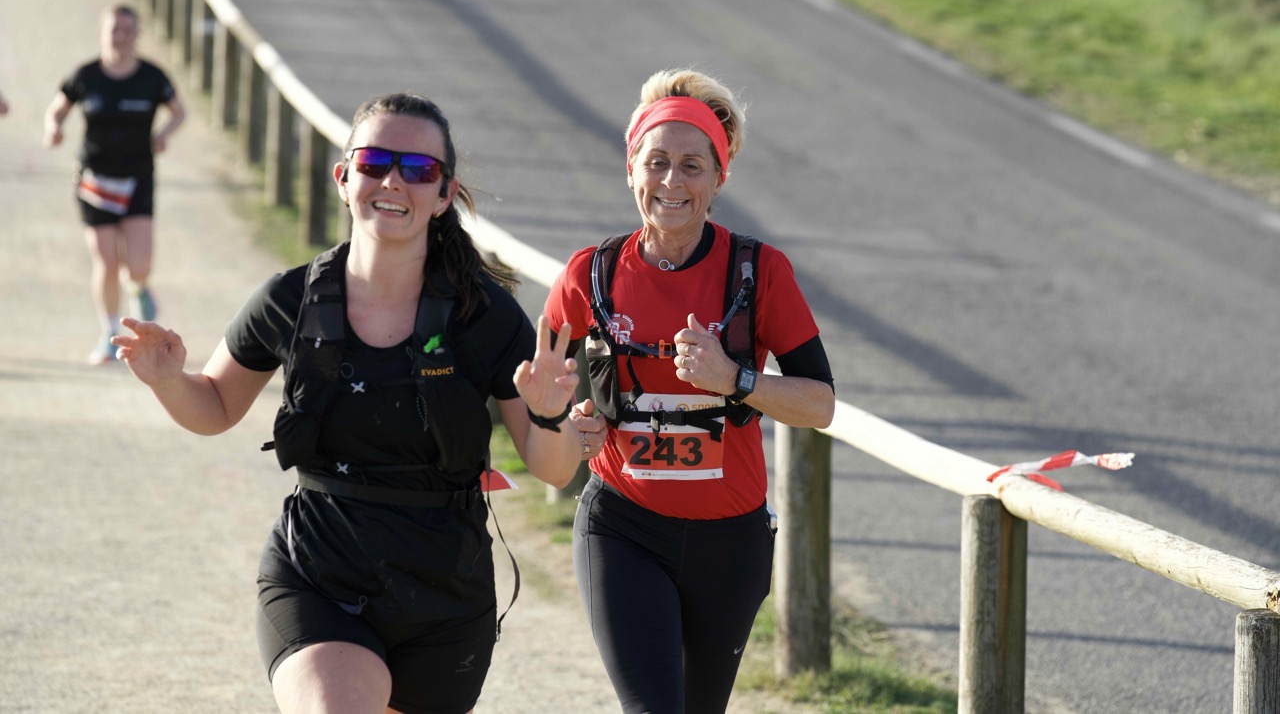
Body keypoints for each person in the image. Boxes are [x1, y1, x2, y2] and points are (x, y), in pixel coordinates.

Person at [112, 92, 604, 714]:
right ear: (344, 178)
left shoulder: (484, 315)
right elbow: (213, 406)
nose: (393, 181)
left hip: (445, 598)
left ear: (444, 195)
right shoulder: (290, 298)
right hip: (319, 577)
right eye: (374, 162)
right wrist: (167, 380)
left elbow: (552, 468)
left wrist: (551, 412)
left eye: (418, 169)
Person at [543, 68, 836, 713]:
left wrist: (736, 379)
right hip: (622, 526)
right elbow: (539, 396)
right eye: (657, 163)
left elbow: (820, 404)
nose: (672, 182)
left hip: (730, 542)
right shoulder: (590, 274)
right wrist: (569, 424)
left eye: (692, 166)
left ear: (719, 177)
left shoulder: (759, 272)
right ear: (631, 170)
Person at [44, 4, 186, 365]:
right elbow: (57, 108)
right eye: (114, 30)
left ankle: (139, 287)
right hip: (95, 179)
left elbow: (179, 112)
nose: (120, 37)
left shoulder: (152, 77)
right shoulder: (86, 75)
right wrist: (54, 128)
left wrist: (163, 134)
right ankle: (109, 334)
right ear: (101, 34)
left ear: (136, 35)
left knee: (138, 264)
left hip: (137, 177)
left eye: (127, 31)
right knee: (106, 262)